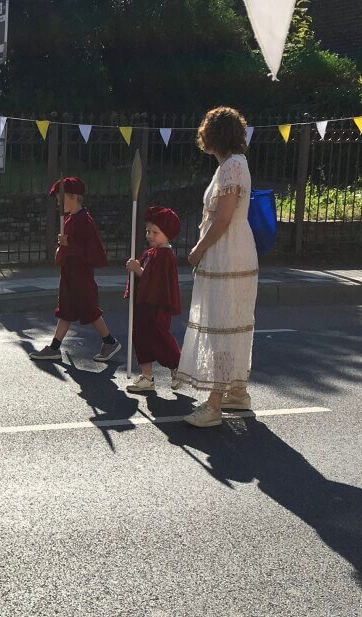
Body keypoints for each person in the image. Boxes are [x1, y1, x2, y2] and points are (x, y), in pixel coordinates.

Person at [176, 107, 259, 427]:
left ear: (215, 135)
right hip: (231, 251)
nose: (201, 134)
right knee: (231, 320)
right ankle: (236, 392)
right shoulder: (232, 165)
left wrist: (198, 249)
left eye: (206, 129)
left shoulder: (232, 167)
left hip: (227, 253)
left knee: (222, 324)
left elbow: (223, 218)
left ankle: (213, 406)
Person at [29, 177, 122, 363]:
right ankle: (55, 348)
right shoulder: (72, 219)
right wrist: (63, 245)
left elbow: (92, 250)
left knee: (89, 309)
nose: (58, 203)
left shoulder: (84, 221)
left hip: (81, 275)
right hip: (70, 273)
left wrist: (68, 243)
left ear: (74, 197)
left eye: (60, 198)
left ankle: (110, 342)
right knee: (66, 309)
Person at [124, 206, 182, 393]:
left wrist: (137, 269)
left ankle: (177, 367)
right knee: (141, 337)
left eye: (155, 232)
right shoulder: (151, 253)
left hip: (157, 305)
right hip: (145, 304)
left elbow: (154, 280)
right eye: (148, 231)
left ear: (167, 234)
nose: (150, 235)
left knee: (159, 337)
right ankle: (147, 376)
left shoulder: (165, 255)